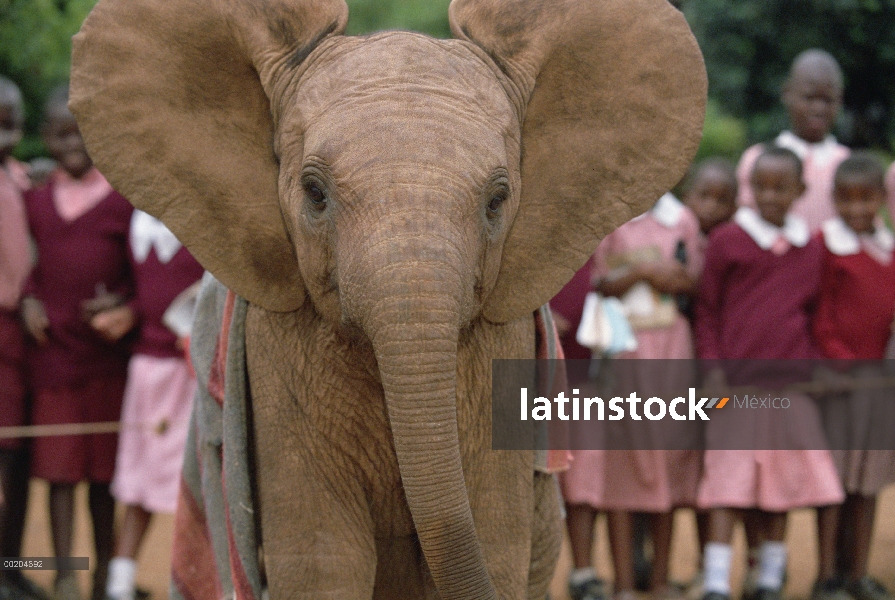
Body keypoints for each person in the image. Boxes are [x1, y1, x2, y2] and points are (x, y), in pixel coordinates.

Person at [694, 146, 844, 600]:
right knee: (727, 483)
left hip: (791, 387)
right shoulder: (729, 240)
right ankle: (717, 581)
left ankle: (768, 578)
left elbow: (817, 314)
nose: (770, 196)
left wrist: (817, 366)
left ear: (800, 191)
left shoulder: (810, 246)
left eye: (781, 187)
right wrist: (713, 369)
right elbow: (706, 310)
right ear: (749, 189)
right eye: (761, 186)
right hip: (735, 386)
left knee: (781, 485)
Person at [20, 86, 134, 600]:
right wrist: (25, 299)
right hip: (54, 358)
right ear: (44, 138)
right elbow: (22, 264)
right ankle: (65, 572)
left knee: (105, 481)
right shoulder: (35, 200)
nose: (73, 144)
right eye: (62, 134)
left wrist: (125, 307)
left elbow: (141, 275)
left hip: (109, 363)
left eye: (83, 132)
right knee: (60, 474)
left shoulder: (123, 200)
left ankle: (104, 576)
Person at [561, 192, 703, 600]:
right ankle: (624, 583)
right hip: (622, 351)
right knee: (624, 464)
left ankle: (658, 580)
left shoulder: (682, 217)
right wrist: (642, 272)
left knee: (670, 460)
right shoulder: (612, 216)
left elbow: (692, 281)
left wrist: (669, 277)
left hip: (673, 351)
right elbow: (598, 281)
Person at [97, 209, 204, 600]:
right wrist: (128, 312)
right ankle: (119, 585)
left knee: (194, 485)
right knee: (138, 483)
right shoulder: (133, 220)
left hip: (193, 369)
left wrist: (201, 338)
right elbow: (139, 292)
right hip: (147, 369)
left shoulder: (201, 218)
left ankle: (194, 586)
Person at [811, 153, 895, 600]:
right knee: (835, 483)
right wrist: (841, 361)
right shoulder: (828, 246)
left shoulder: (890, 249)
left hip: (881, 387)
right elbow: (820, 316)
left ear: (882, 199)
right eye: (847, 200)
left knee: (868, 483)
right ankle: (827, 574)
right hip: (842, 385)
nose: (858, 209)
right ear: (834, 200)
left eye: (867, 199)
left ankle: (858, 571)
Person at [0, 75, 49, 600]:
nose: (4, 137)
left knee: (19, 456)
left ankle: (12, 565)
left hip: (22, 338)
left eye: (11, 126)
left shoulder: (21, 179)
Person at [736, 49, 851, 232]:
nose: (819, 108)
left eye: (828, 100)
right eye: (809, 97)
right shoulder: (758, 158)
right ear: (787, 93)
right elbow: (743, 223)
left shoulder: (847, 163)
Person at [683, 158, 738, 241]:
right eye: (704, 195)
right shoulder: (670, 233)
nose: (711, 206)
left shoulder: (732, 245)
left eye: (722, 200)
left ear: (734, 208)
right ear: (686, 196)